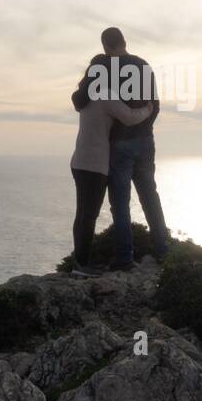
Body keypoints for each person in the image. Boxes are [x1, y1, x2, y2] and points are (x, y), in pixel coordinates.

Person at [71, 27, 170, 272]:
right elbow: (154, 106)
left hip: (119, 144)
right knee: (150, 195)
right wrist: (143, 130)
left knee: (121, 202)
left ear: (105, 46)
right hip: (146, 140)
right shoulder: (144, 66)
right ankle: (162, 250)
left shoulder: (103, 66)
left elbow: (80, 99)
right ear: (125, 41)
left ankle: (125, 257)